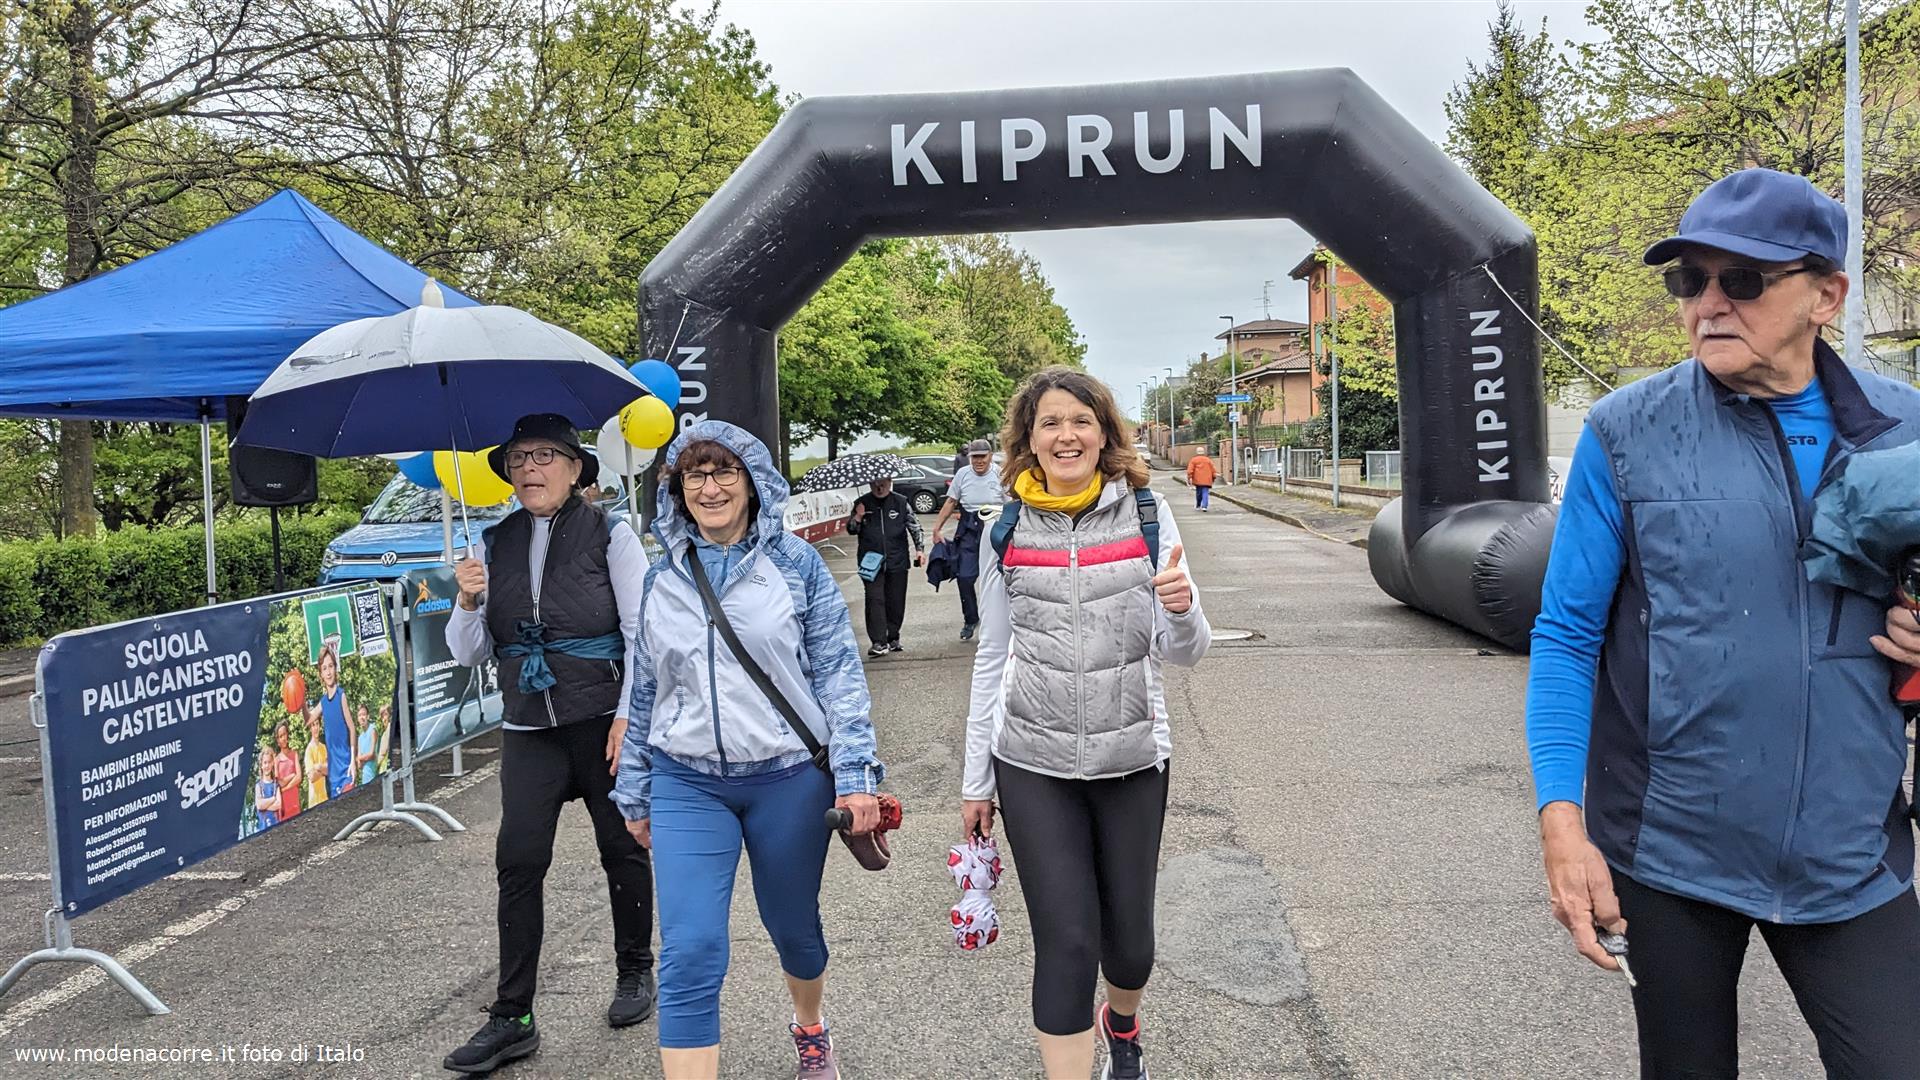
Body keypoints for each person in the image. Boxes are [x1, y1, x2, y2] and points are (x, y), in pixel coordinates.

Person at [1527, 167, 1920, 1078]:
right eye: (1688, 280)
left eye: (1742, 279)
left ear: (1827, 296)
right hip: (1669, 852)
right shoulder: (1627, 430)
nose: (1708, 304)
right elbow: (1567, 635)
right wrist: (1562, 825)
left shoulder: (1907, 431)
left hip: (1849, 849)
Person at [614, 420, 886, 1080]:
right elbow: (645, 687)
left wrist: (855, 776)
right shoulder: (661, 577)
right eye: (694, 475)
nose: (709, 488)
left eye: (724, 472)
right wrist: (635, 788)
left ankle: (810, 1026)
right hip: (686, 781)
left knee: (794, 928)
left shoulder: (795, 565)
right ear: (676, 489)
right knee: (691, 949)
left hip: (788, 779)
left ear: (755, 482)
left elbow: (839, 674)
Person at [960, 367, 1210, 1080]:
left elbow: (1186, 652)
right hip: (1031, 763)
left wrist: (1183, 608)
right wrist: (976, 781)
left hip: (1131, 759)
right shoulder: (1006, 528)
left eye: (1080, 421)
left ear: (1104, 434)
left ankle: (1122, 1023)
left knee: (1129, 947)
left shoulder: (1148, 516)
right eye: (1050, 422)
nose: (1065, 435)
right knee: (1067, 945)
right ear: (1029, 438)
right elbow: (993, 657)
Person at [443, 413, 657, 1075]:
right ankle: (513, 1016)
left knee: (621, 847)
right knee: (519, 859)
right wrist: (467, 602)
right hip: (529, 724)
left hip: (601, 717)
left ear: (574, 467)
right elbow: (470, 653)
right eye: (518, 459)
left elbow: (642, 632)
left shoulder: (611, 534)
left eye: (543, 456)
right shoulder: (494, 542)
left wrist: (630, 717)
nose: (529, 469)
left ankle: (635, 968)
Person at [929, 440, 1004, 640]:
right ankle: (970, 618)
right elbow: (951, 501)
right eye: (975, 457)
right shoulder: (962, 474)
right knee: (964, 576)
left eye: (982, 456)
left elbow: (1011, 504)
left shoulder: (1000, 474)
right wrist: (937, 528)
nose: (979, 461)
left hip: (994, 527)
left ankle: (995, 623)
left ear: (990, 456)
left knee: (996, 579)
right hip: (969, 528)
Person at [846, 475, 925, 655]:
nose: (879, 488)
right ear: (869, 484)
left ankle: (893, 636)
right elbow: (851, 529)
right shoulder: (862, 503)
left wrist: (920, 549)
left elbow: (914, 526)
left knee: (895, 600)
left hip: (897, 559)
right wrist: (858, 516)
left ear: (890, 482)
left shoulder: (901, 502)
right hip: (870, 562)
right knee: (874, 599)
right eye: (875, 484)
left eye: (882, 484)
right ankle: (878, 641)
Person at [307, 643, 354, 797]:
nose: (328, 672)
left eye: (331, 666)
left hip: (346, 770)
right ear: (321, 674)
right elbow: (308, 719)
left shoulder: (341, 696)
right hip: (333, 776)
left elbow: (352, 729)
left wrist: (353, 762)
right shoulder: (323, 702)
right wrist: (301, 703)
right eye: (324, 668)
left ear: (335, 668)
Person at [271, 722, 302, 821]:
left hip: (295, 805)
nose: (283, 738)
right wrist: (292, 776)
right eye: (280, 736)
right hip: (283, 809)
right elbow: (278, 783)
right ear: (277, 740)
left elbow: (299, 778)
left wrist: (285, 789)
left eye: (284, 734)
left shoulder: (294, 754)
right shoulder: (276, 760)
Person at [301, 708, 328, 810]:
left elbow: (329, 770)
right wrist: (323, 771)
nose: (316, 728)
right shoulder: (309, 750)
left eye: (317, 724)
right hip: (314, 802)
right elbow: (312, 777)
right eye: (313, 725)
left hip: (324, 798)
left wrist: (318, 767)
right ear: (310, 728)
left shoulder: (323, 747)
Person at [252, 743, 280, 832]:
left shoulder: (275, 785)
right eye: (265, 763)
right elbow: (259, 805)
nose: (267, 765)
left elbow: (278, 804)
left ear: (272, 764)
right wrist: (273, 799)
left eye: (269, 762)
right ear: (261, 765)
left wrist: (265, 805)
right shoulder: (258, 786)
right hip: (263, 829)